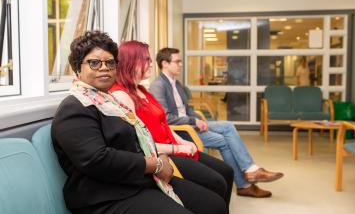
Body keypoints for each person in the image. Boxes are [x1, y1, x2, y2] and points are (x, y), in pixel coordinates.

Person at [51, 31, 226, 214]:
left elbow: (136, 138)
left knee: (214, 204)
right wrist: (155, 164)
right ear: (78, 68)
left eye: (110, 62)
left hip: (136, 180)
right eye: (94, 63)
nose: (104, 68)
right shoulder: (75, 107)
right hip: (104, 196)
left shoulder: (109, 102)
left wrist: (160, 157)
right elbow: (98, 160)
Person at [109, 40, 233, 210]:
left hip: (171, 146)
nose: (152, 64)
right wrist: (176, 149)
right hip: (163, 154)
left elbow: (164, 123)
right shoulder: (121, 95)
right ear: (131, 61)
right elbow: (141, 143)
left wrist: (182, 142)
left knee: (226, 172)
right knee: (218, 184)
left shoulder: (142, 90)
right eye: (146, 59)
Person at [150, 47, 284, 198]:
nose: (181, 64)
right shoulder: (158, 86)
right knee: (223, 140)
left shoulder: (176, 83)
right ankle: (244, 184)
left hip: (191, 124)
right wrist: (194, 121)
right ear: (164, 64)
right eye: (177, 61)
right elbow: (166, 118)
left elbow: (187, 109)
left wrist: (199, 120)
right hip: (182, 130)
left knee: (227, 126)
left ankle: (251, 170)